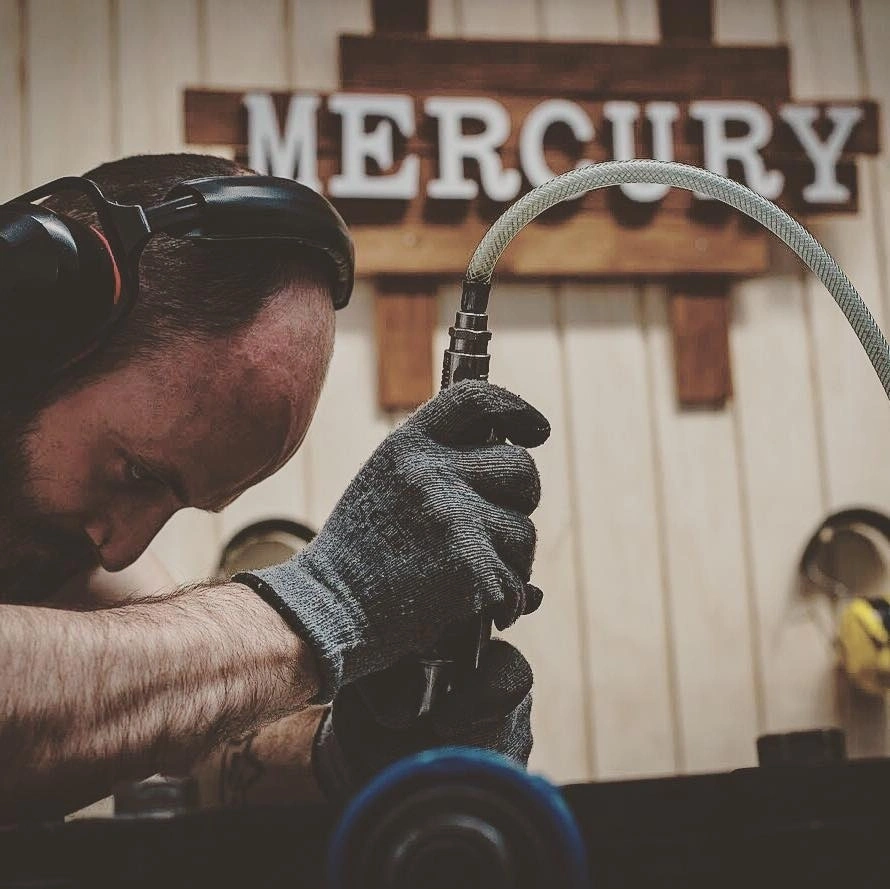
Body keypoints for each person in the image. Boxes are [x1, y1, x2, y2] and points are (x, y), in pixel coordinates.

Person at [0, 153, 550, 820]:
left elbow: (190, 738)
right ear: (21, 324)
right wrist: (326, 603)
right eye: (137, 473)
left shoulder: (54, 553)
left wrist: (347, 756)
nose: (124, 550)